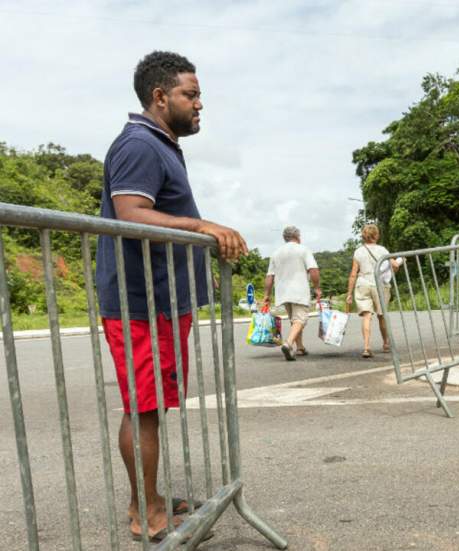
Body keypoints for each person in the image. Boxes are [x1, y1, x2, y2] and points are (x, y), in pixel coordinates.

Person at [96, 51, 247, 540]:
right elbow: (131, 212)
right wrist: (203, 225)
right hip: (138, 301)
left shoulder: (159, 144)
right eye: (191, 94)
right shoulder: (139, 144)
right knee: (142, 407)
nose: (200, 104)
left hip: (159, 301)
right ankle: (147, 514)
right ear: (160, 97)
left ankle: (150, 498)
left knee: (151, 406)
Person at [263, 225, 321, 361]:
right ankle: (288, 344)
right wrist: (317, 287)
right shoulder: (303, 250)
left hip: (283, 292)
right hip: (299, 290)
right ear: (297, 236)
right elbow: (313, 270)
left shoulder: (276, 253)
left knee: (294, 320)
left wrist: (266, 295)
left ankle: (300, 347)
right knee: (300, 319)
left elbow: (269, 276)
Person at [346, 224, 398, 358]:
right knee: (382, 315)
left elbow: (353, 273)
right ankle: (386, 343)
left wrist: (349, 294)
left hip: (362, 283)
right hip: (379, 284)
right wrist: (394, 269)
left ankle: (366, 347)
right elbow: (395, 265)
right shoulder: (382, 250)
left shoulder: (358, 251)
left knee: (366, 316)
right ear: (376, 235)